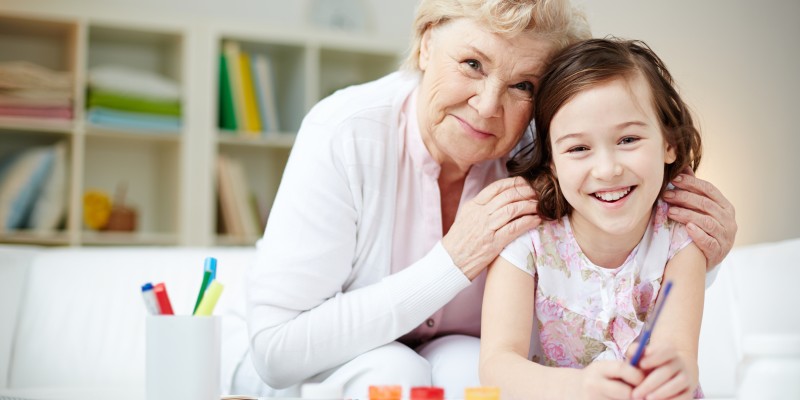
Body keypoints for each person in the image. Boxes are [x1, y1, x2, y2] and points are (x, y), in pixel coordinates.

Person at [240, 1, 737, 398]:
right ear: (426, 41)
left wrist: (704, 244)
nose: (487, 105)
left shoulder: (546, 148)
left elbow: (620, 234)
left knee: (466, 371)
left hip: (462, 354)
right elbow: (276, 351)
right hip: (331, 364)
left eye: (523, 85)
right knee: (392, 371)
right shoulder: (346, 133)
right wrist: (451, 263)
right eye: (472, 64)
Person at [480, 38, 709, 399]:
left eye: (629, 139)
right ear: (552, 161)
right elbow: (496, 366)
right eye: (579, 148)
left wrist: (674, 372)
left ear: (670, 144)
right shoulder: (527, 239)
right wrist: (581, 387)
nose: (607, 169)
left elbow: (680, 355)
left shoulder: (680, 235)